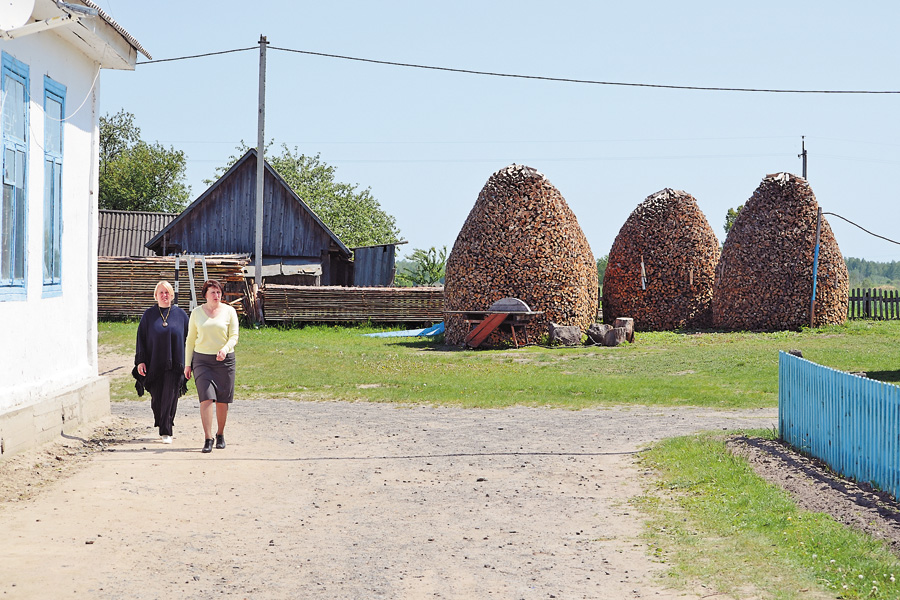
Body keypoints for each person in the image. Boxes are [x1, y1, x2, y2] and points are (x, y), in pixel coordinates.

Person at [184, 279, 240, 453]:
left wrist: (225, 349)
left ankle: (220, 434)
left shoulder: (229, 311)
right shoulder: (196, 313)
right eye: (213, 292)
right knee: (206, 398)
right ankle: (208, 437)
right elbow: (190, 340)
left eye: (218, 292)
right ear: (205, 295)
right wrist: (188, 364)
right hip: (202, 361)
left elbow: (234, 336)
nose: (216, 295)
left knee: (222, 400)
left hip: (224, 361)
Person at [134, 280, 189, 444]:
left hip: (176, 363)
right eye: (161, 293)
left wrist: (189, 362)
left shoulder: (181, 315)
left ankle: (166, 430)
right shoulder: (148, 315)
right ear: (156, 296)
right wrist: (141, 361)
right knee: (157, 398)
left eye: (167, 292)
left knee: (170, 396)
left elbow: (190, 338)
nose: (164, 295)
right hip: (154, 363)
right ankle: (163, 420)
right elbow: (141, 339)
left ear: (172, 295)